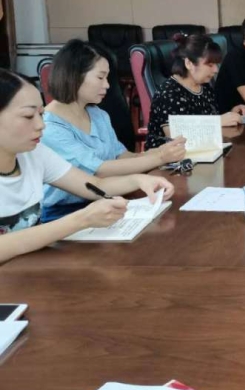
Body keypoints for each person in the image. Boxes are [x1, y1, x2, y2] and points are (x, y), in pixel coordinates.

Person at [0, 69, 173, 264]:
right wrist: (81, 220)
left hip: (31, 267)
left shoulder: (34, 154)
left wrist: (139, 180)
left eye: (41, 114)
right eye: (28, 116)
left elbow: (94, 185)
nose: (41, 125)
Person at [41, 40, 186, 222]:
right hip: (64, 212)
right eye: (100, 77)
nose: (107, 85)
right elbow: (98, 171)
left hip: (107, 199)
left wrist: (159, 151)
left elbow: (120, 156)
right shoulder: (49, 127)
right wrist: (159, 158)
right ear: (75, 75)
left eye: (108, 78)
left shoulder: (97, 114)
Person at [145, 34, 245, 149]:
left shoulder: (204, 87)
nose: (216, 69)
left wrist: (232, 113)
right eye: (210, 65)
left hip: (204, 150)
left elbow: (209, 119)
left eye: (216, 64)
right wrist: (218, 121)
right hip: (170, 157)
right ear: (189, 64)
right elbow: (175, 136)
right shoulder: (169, 93)